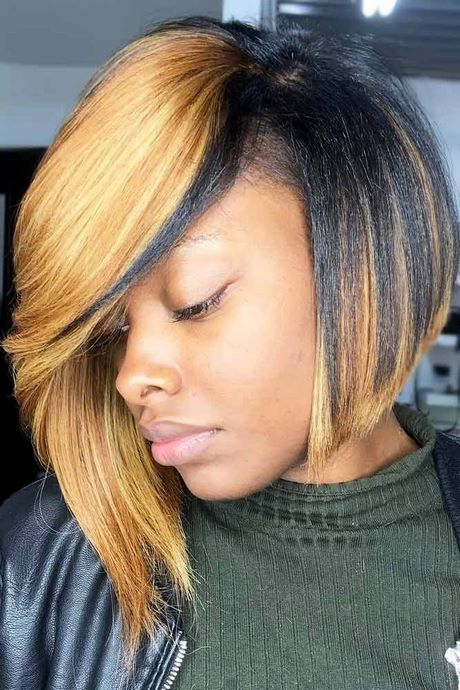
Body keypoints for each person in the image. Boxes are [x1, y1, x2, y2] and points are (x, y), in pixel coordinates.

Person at [1, 14, 460, 690]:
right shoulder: (33, 565)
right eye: (113, 332)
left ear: (362, 268)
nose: (132, 378)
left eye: (196, 303)